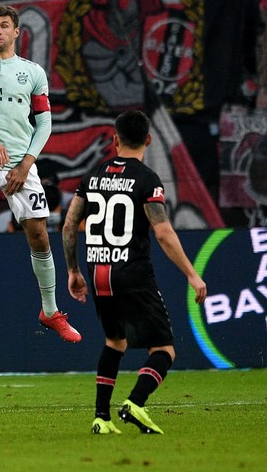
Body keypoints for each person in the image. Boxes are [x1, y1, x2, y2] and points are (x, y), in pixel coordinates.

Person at [62, 110, 207, 435]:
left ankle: (101, 417)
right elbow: (164, 233)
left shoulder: (93, 175)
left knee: (115, 341)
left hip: (98, 272)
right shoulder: (146, 179)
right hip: (132, 273)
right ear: (149, 140)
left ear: (114, 140)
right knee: (164, 350)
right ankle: (136, 403)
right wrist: (191, 274)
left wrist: (73, 270)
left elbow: (70, 224)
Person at [0, 5, 82, 347]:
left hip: (20, 166)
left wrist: (27, 163)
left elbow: (43, 121)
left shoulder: (32, 72)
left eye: (3, 26)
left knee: (40, 235)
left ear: (17, 32)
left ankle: (50, 310)